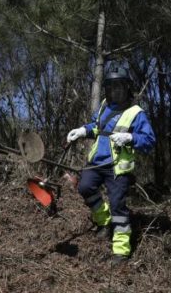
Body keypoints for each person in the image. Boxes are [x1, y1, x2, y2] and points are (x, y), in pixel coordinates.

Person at [66, 64, 156, 263]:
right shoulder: (104, 107)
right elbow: (96, 127)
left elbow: (149, 140)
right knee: (85, 187)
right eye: (111, 86)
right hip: (96, 162)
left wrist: (130, 138)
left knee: (118, 206)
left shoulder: (136, 112)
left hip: (117, 167)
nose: (115, 90)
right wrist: (82, 131)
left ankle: (121, 250)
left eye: (119, 86)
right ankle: (104, 222)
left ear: (127, 87)